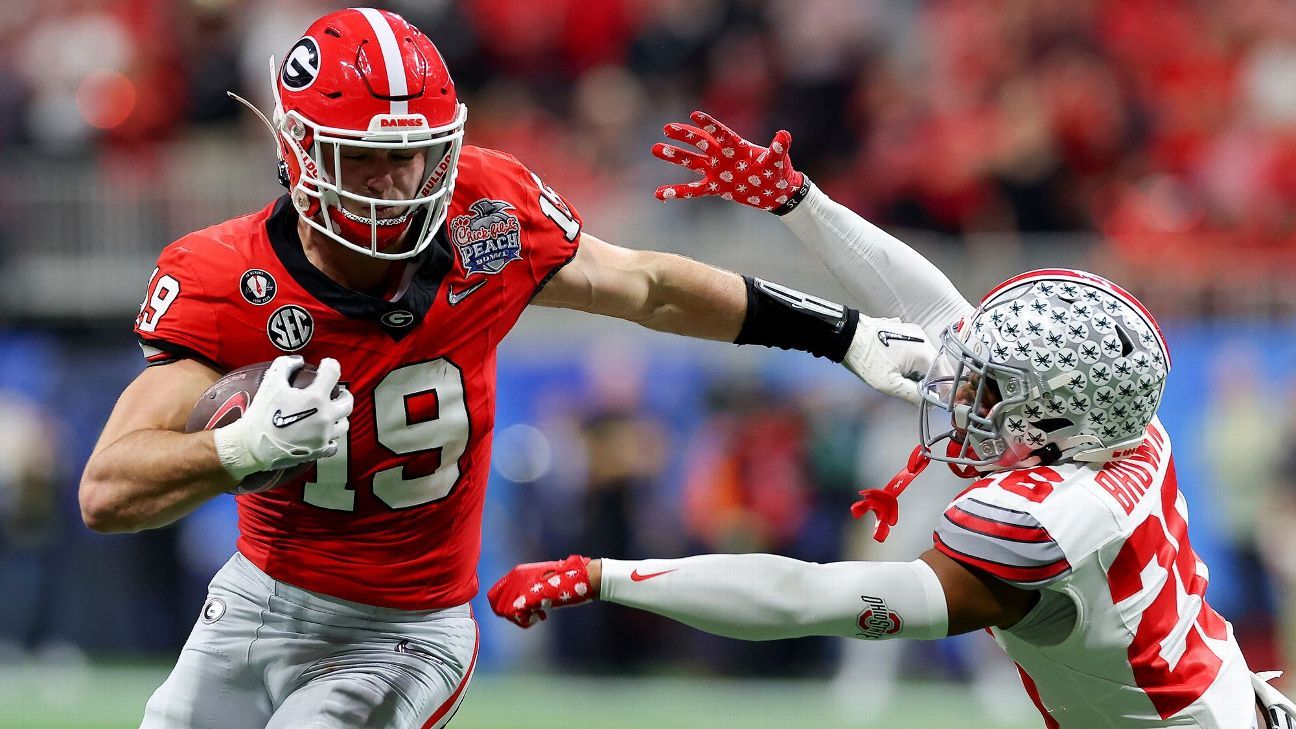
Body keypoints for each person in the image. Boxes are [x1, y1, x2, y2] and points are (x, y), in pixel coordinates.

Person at [76, 11, 937, 729]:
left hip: (406, 629)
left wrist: (842, 332)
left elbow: (649, 286)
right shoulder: (227, 278)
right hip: (257, 601)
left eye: (410, 154)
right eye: (363, 157)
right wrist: (242, 449)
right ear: (301, 151)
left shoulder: (486, 216)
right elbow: (107, 491)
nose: (395, 180)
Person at [488, 112, 1296, 729]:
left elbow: (805, 595)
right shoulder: (1120, 426)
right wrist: (797, 202)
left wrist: (608, 575)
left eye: (994, 390)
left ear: (1055, 422)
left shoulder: (1043, 517)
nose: (966, 397)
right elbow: (936, 306)